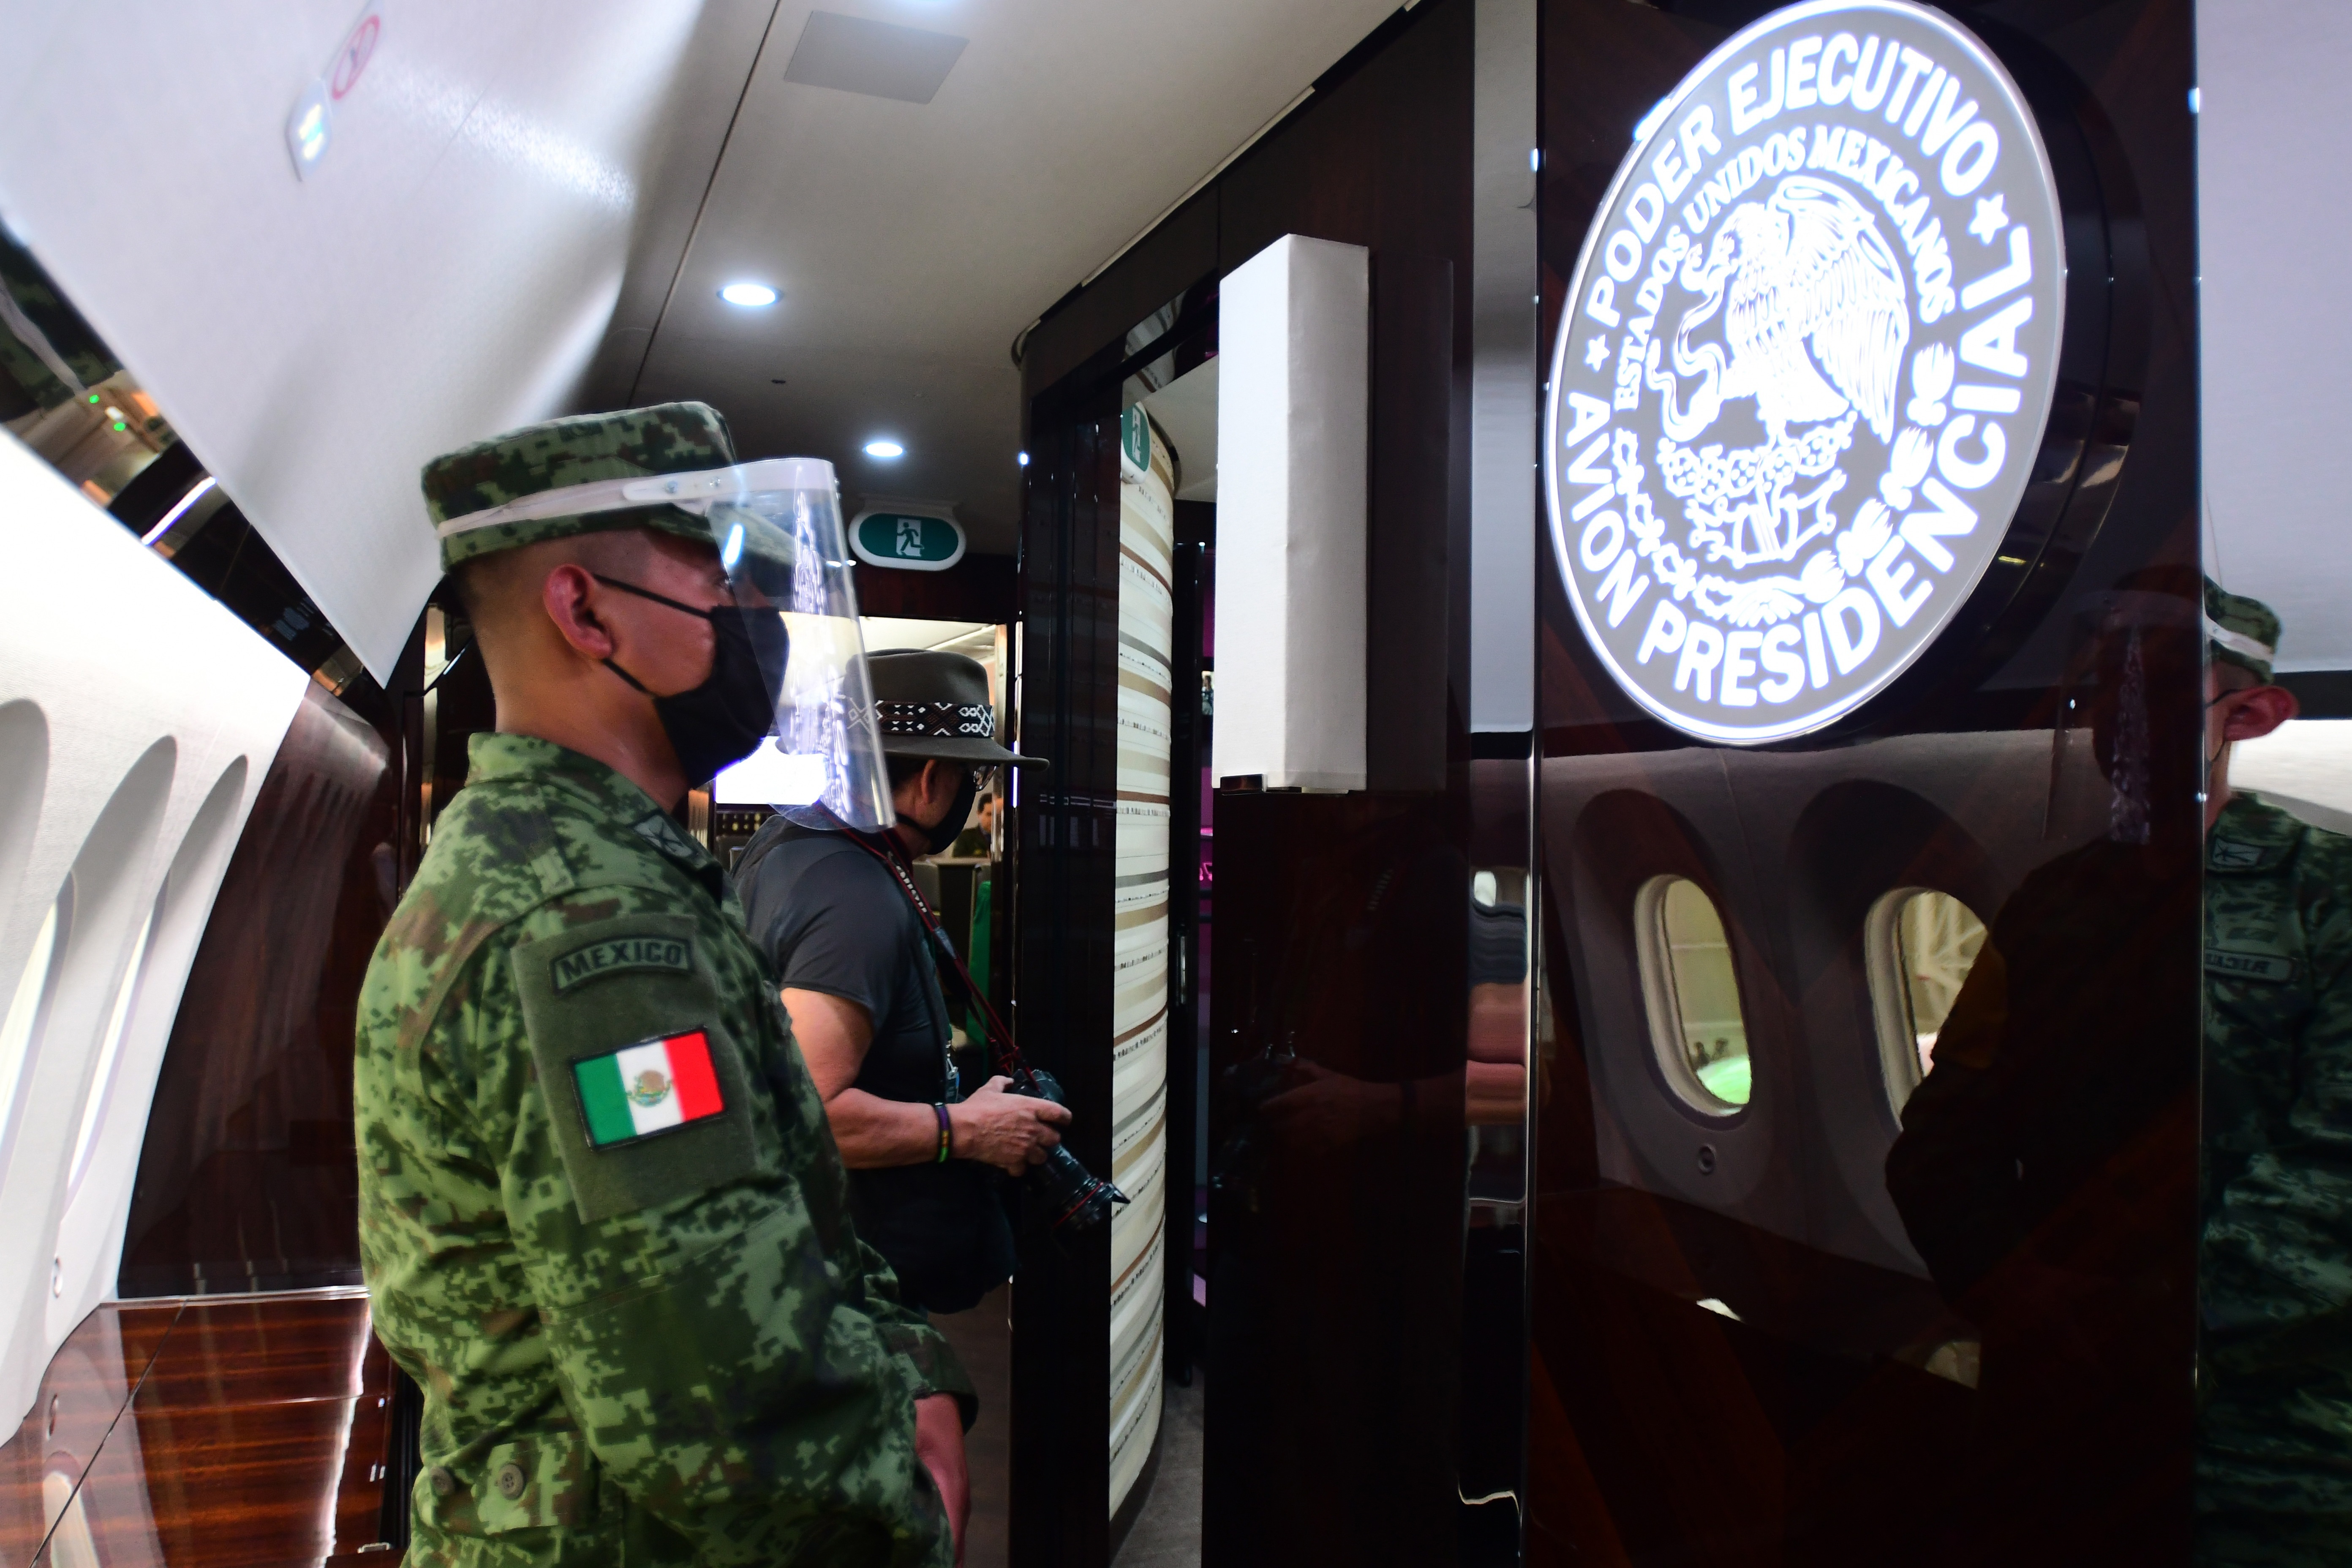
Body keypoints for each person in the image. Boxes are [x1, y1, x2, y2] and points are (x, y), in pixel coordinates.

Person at [355, 403, 972, 1567]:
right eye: (719, 586)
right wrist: (902, 1511)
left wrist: (915, 1366)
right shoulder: (590, 924)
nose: (758, 628)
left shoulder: (605, 864)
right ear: (584, 609)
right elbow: (711, 1402)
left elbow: (778, 1204)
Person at [735, 650, 1069, 1315]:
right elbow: (809, 1113)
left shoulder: (789, 841)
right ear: (928, 780)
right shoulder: (855, 894)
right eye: (975, 776)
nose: (979, 796)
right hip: (852, 1283)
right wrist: (966, 1131)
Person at [2192, 583, 2352, 1565]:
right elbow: (1958, 1128)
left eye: (2149, 687)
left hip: (2282, 1444)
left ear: (2247, 713)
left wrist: (2176, 1318)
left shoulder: (2325, 895)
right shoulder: (2067, 892)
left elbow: (2337, 1170)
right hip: (2070, 1397)